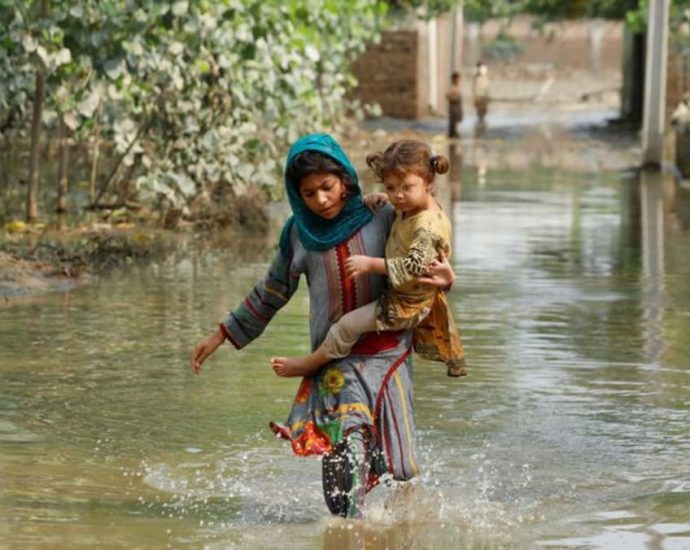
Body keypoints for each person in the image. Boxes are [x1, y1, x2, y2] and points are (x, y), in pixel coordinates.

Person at [190, 134, 455, 519]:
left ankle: (402, 535)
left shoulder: (384, 214)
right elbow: (271, 291)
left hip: (389, 355)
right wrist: (221, 334)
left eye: (327, 188)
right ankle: (349, 535)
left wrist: (447, 278)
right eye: (309, 193)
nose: (322, 200)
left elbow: (426, 256)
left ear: (346, 179)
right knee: (344, 471)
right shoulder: (298, 234)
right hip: (334, 360)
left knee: (402, 469)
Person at [272, 140, 467, 380]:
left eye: (406, 187)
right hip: (404, 296)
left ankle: (311, 363)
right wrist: (378, 197)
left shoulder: (427, 226)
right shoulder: (407, 208)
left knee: (345, 326)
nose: (397, 195)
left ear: (429, 182)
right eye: (390, 187)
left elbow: (414, 266)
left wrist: (370, 264)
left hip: (405, 304)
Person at [473, 61, 490, 129]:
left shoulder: (485, 76)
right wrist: (475, 97)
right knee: (479, 111)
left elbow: (487, 87)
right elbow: (475, 88)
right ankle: (480, 121)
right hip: (479, 96)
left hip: (484, 96)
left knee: (483, 111)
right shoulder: (477, 77)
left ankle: (482, 121)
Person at [446, 72, 463, 139]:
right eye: (457, 79)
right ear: (454, 79)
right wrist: (454, 98)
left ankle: (455, 132)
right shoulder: (452, 87)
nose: (458, 81)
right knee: (452, 121)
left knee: (456, 121)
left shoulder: (457, 87)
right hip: (453, 107)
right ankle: (452, 133)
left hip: (457, 107)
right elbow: (447, 96)